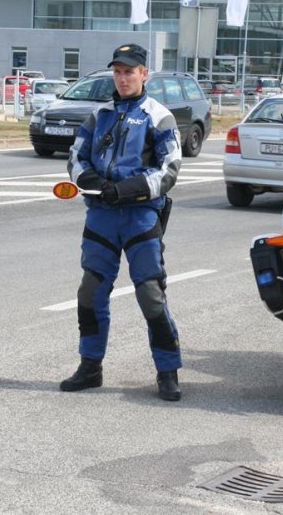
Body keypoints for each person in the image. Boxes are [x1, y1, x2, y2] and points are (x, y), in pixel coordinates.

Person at [60, 43, 184, 401]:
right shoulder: (98, 114)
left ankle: (168, 370)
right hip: (101, 216)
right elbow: (76, 157)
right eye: (117, 71)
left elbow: (169, 170)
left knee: (150, 295)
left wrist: (126, 190)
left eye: (130, 71)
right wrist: (91, 183)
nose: (123, 78)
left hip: (141, 215)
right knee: (90, 291)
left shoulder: (159, 116)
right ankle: (90, 366)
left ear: (144, 74)